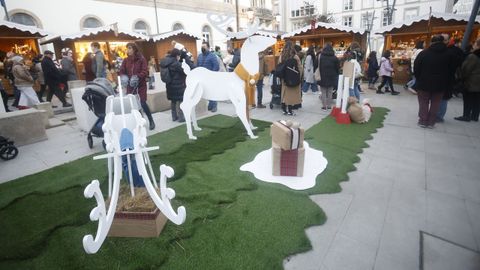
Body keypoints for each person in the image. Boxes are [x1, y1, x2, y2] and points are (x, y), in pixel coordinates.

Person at [414, 35, 453, 128]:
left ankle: (423, 121)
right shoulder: (449, 54)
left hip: (424, 82)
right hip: (440, 84)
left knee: (423, 102)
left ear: (431, 42)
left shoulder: (424, 53)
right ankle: (431, 122)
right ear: (443, 42)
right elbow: (452, 70)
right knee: (436, 103)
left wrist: (419, 78)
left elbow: (416, 68)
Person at [119, 42, 155, 130]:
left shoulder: (141, 59)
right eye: (127, 48)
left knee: (142, 103)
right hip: (130, 86)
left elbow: (145, 71)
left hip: (141, 85)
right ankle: (140, 121)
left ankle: (151, 120)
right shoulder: (125, 60)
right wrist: (124, 77)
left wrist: (137, 77)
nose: (128, 50)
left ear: (134, 49)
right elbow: (121, 71)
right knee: (133, 104)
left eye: (129, 48)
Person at [437, 36, 464, 122]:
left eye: (444, 40)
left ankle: (439, 116)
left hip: (447, 78)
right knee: (440, 98)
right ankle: (438, 115)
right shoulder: (453, 51)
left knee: (443, 98)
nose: (443, 42)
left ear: (449, 40)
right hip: (443, 78)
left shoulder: (452, 51)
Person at [455, 38, 480, 122]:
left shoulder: (473, 56)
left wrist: (461, 77)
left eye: (475, 43)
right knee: (477, 100)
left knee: (468, 99)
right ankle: (475, 116)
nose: (473, 45)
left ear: (478, 45)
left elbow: (466, 69)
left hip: (471, 82)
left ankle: (466, 116)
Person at [160, 48, 186, 122]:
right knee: (181, 101)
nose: (179, 57)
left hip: (169, 85)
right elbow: (183, 71)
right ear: (176, 55)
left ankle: (174, 117)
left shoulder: (165, 61)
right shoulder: (176, 63)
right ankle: (181, 117)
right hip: (178, 85)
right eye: (179, 56)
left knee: (173, 101)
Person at [279, 40, 302, 116]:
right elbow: (300, 68)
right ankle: (290, 110)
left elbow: (279, 66)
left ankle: (283, 109)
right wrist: (299, 76)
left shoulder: (282, 56)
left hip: (284, 78)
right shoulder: (295, 56)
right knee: (291, 95)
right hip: (293, 78)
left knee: (284, 93)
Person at [197, 41, 219, 112]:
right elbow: (198, 66)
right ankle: (210, 105)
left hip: (211, 77)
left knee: (212, 91)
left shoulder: (212, 56)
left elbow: (216, 66)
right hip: (202, 78)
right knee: (207, 92)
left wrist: (211, 75)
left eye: (204, 46)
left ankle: (214, 106)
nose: (202, 48)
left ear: (208, 48)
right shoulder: (199, 56)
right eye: (202, 46)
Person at [318, 43, 340, 111]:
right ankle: (329, 106)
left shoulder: (320, 57)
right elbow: (337, 68)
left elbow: (316, 66)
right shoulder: (335, 58)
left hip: (322, 76)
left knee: (323, 92)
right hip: (332, 76)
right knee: (330, 92)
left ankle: (324, 106)